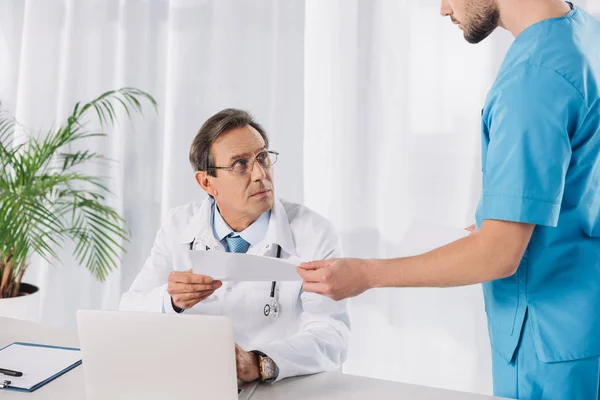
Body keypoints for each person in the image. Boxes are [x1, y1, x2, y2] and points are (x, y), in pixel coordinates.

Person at [298, 1, 600, 398]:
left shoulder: (533, 80)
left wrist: (367, 275)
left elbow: (498, 255)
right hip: (584, 328)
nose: (443, 9)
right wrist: (514, 215)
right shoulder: (583, 33)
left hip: (548, 348)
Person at [121, 109, 350, 384]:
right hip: (192, 384)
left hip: (277, 388)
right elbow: (128, 311)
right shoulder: (179, 226)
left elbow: (331, 334)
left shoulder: (313, 233)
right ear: (207, 182)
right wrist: (171, 300)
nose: (260, 174)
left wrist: (259, 362)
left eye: (263, 157)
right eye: (240, 164)